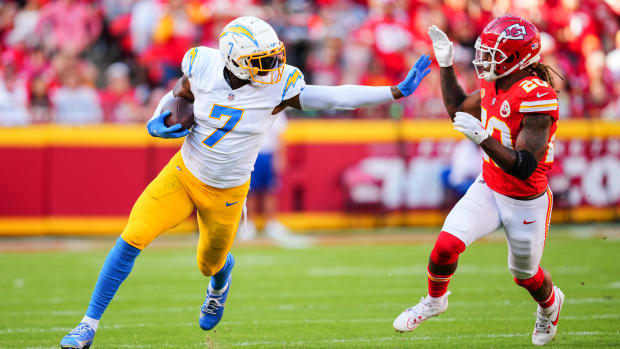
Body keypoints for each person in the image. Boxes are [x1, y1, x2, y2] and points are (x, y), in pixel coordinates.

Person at [60, 16, 431, 349]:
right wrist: (158, 116)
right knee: (132, 237)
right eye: (262, 60)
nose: (274, 66)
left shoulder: (279, 87)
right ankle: (87, 325)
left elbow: (335, 97)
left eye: (274, 56)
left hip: (227, 192)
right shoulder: (201, 62)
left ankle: (220, 280)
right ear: (234, 59)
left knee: (209, 263)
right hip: (183, 174)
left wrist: (392, 91)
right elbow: (180, 93)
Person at [392, 16, 564, 346]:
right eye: (484, 52)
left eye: (493, 54)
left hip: (526, 199)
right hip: (489, 187)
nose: (485, 60)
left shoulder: (536, 96)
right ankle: (434, 300)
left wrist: (483, 138)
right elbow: (457, 108)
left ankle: (550, 304)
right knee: (445, 246)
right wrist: (445, 64)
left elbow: (525, 166)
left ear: (518, 59)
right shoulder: (495, 82)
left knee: (526, 276)